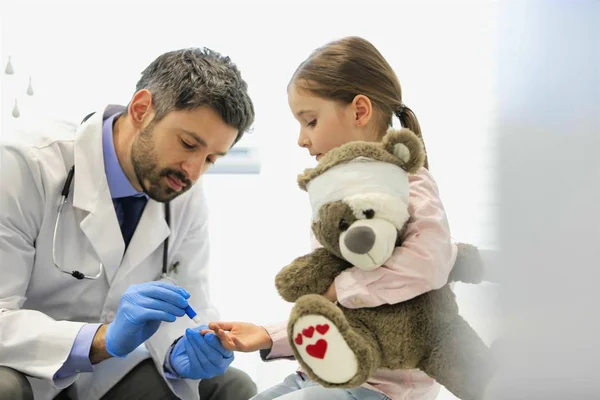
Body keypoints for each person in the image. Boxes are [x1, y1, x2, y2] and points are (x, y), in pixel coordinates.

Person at [203, 36, 458, 400]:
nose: (301, 140)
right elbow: (336, 315)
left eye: (310, 121)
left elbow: (430, 262)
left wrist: (343, 288)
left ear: (359, 111)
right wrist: (268, 334)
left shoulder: (408, 183)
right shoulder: (333, 200)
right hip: (324, 378)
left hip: (380, 390)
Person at [0, 47, 258, 400]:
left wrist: (185, 350)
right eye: (187, 144)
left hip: (109, 374)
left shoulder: (182, 193)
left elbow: (192, 300)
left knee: (231, 387)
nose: (194, 171)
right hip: (23, 367)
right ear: (141, 110)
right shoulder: (24, 165)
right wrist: (101, 338)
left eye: (211, 158)